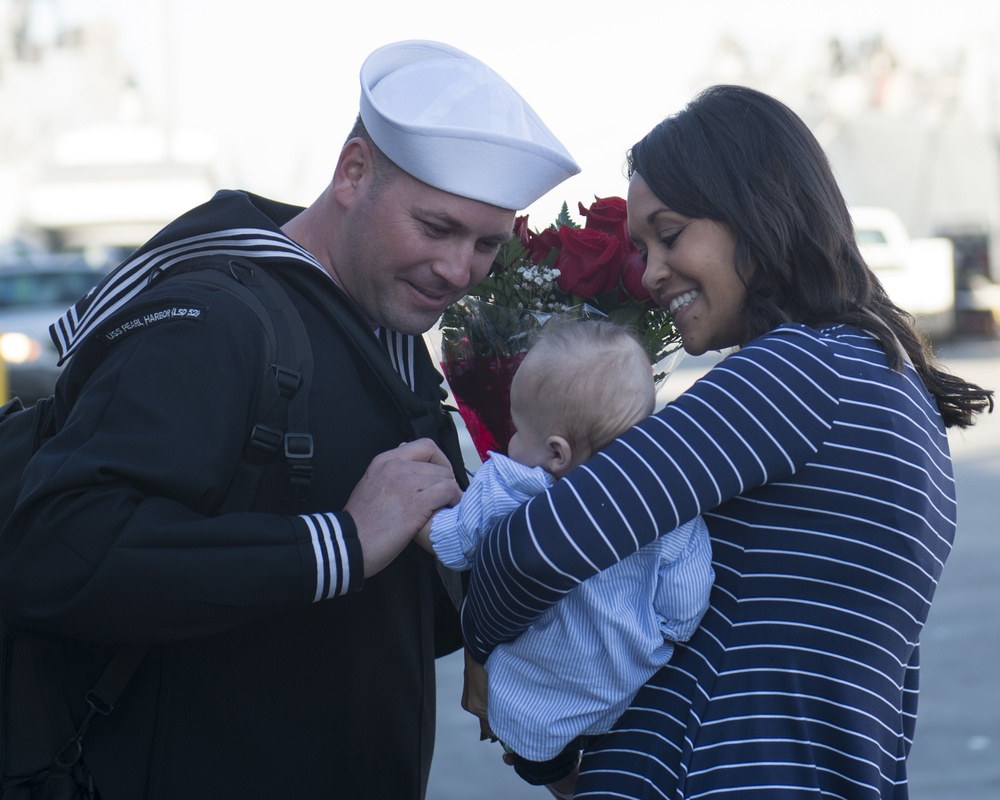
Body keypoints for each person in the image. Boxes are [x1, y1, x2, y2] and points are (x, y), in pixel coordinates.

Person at [0, 40, 579, 800]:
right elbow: (55, 552)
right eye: (435, 228)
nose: (458, 270)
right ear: (353, 172)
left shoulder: (387, 336)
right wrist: (334, 544)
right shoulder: (216, 319)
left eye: (486, 244)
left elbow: (396, 615)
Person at [459, 84, 995, 799]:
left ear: (756, 210)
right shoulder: (889, 382)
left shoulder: (803, 370)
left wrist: (490, 650)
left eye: (671, 234)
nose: (648, 275)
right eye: (641, 248)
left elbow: (540, 546)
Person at [417, 318, 713, 797]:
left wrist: (419, 513)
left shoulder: (513, 487)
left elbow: (452, 544)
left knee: (534, 754)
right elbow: (684, 607)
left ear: (556, 451)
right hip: (631, 688)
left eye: (517, 429)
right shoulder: (671, 508)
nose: (509, 442)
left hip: (539, 704)